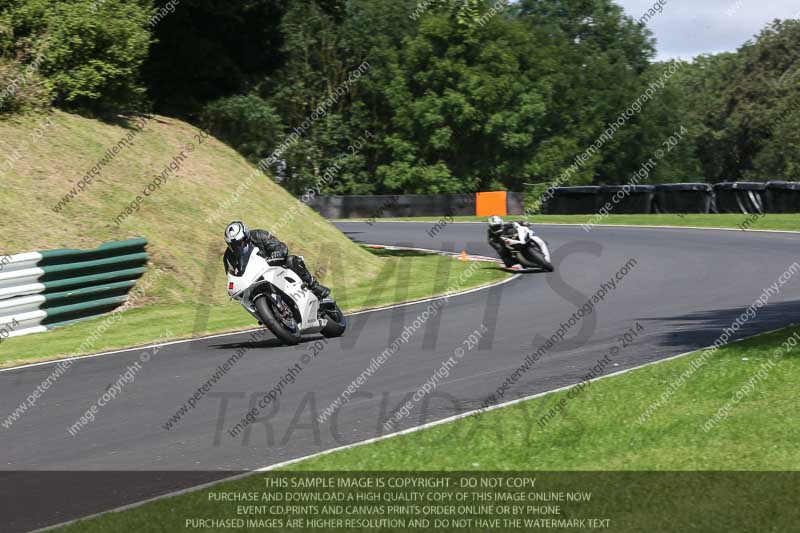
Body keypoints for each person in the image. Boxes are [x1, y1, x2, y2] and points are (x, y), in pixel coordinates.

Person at [223, 221, 331, 299]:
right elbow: (231, 275)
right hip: (254, 279)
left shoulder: (259, 235)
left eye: (240, 242)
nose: (239, 246)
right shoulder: (228, 257)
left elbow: (280, 247)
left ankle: (314, 286)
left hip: (273, 265)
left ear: (246, 236)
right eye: (234, 245)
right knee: (245, 297)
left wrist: (276, 253)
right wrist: (233, 286)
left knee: (292, 260)